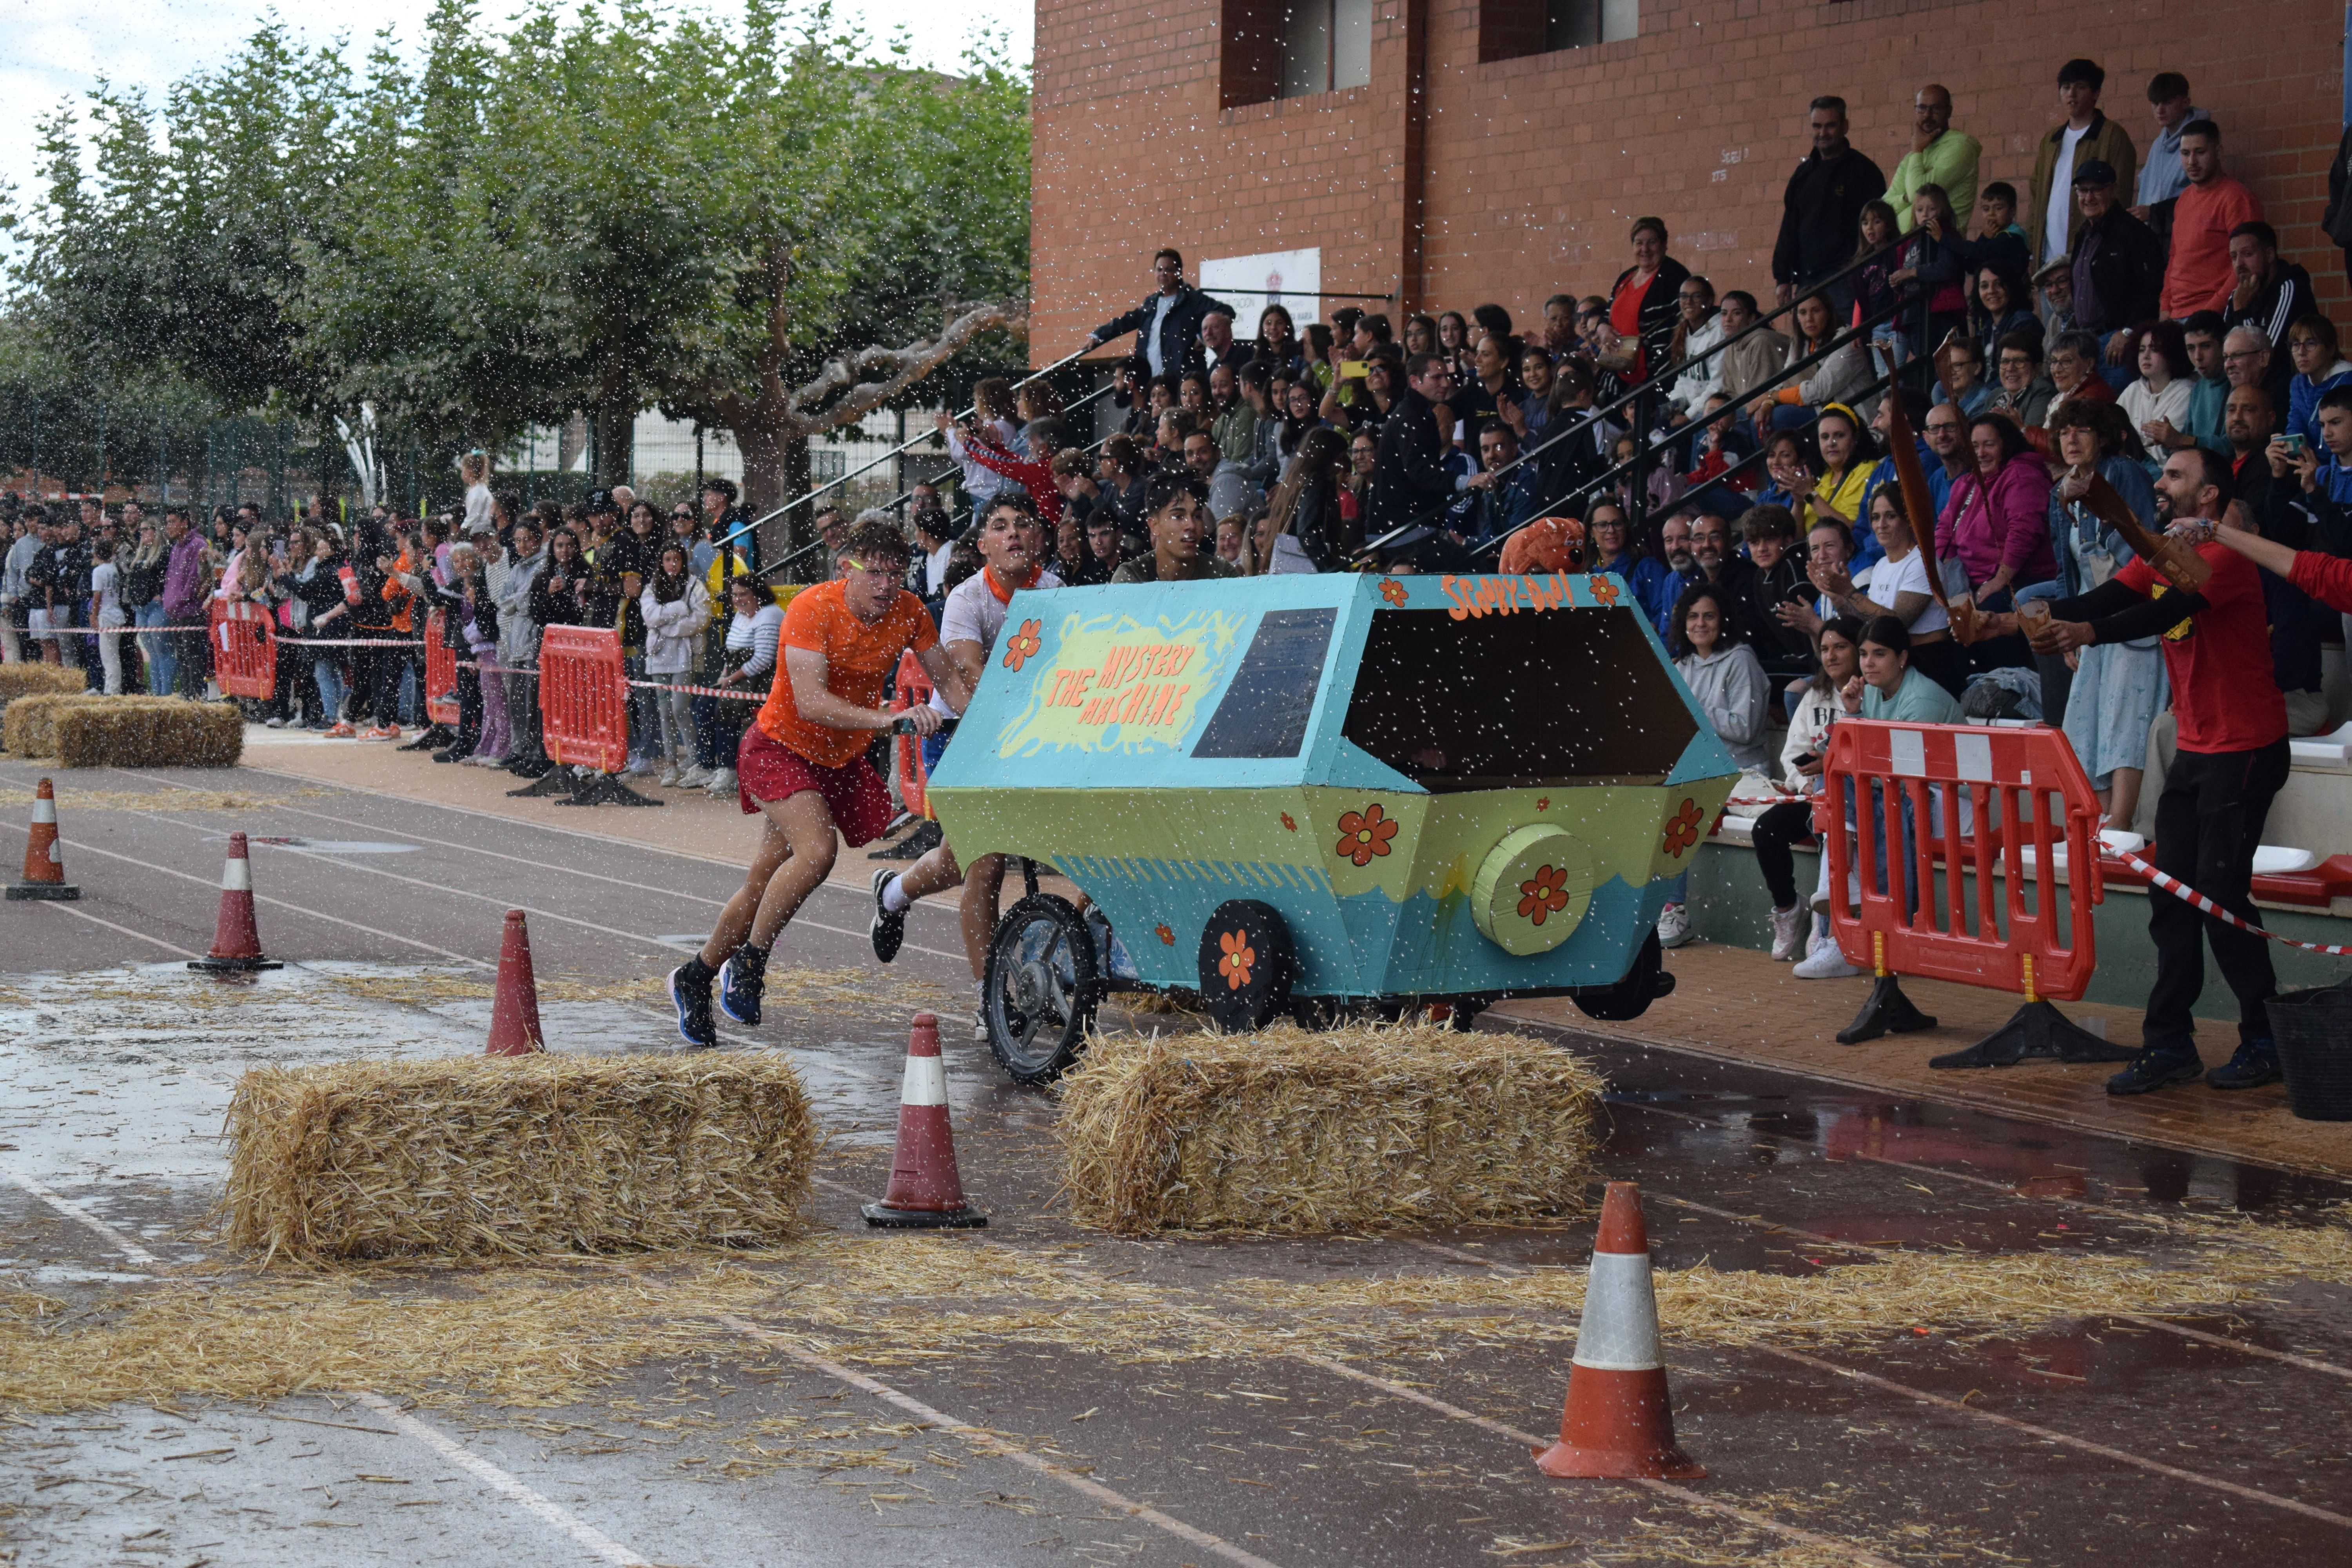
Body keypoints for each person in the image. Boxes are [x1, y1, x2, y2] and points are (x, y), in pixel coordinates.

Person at [1987, 449, 2287, 1095]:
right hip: (2198, 747)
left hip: (2247, 748)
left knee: (2219, 895)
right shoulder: (2155, 551)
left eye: (2174, 475)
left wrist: (2088, 634)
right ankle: (2170, 1044)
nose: (2159, 482)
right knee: (2173, 894)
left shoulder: (2224, 557)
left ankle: (2267, 1039)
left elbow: (2163, 613)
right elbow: (2101, 594)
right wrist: (2002, 623)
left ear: (2207, 497)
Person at [669, 519, 973, 1049]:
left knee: (763, 884)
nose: (886, 584)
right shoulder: (812, 607)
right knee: (817, 852)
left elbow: (948, 680)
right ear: (846, 569)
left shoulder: (909, 611)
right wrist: (888, 718)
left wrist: (983, 726)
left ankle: (694, 976)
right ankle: (751, 963)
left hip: (837, 760)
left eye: (895, 573)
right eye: (874, 572)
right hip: (778, 749)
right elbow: (810, 701)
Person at [870, 497, 1062, 1033]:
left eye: (1024, 522)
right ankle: (990, 998)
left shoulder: (1057, 594)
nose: (1014, 532)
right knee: (986, 865)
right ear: (983, 547)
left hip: (1030, 733)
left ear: (1039, 539)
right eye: (1000, 527)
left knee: (957, 860)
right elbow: (971, 678)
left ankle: (893, 892)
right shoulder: (965, 599)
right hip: (962, 734)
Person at [2037, 400, 2167, 830]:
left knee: (2124, 718)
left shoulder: (2123, 472)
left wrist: (2091, 502)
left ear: (2104, 436)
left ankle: (2122, 823)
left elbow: (2141, 548)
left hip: (2133, 615)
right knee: (2086, 718)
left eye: (2083, 430)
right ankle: (2101, 821)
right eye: (2065, 431)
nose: (2071, 439)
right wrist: (2065, 630)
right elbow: (2065, 570)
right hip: (2091, 620)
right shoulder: (2063, 488)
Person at [1661, 579, 1768, 949]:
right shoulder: (1683, 664)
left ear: (1723, 621)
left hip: (1740, 771)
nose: (1701, 624)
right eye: (1693, 617)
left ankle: (1675, 911)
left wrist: (1694, 709)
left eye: (1709, 616)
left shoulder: (1741, 659)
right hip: (1699, 771)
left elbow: (1745, 727)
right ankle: (1654, 909)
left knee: (1678, 808)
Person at [1752, 616, 1862, 961]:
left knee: (1835, 830)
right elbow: (1791, 753)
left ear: (1859, 651)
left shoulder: (1871, 693)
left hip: (1854, 800)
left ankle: (1825, 919)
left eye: (1841, 647)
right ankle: (1789, 909)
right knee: (1766, 829)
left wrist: (1830, 768)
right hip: (1815, 794)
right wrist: (1807, 782)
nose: (1831, 656)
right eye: (1825, 649)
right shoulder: (1815, 694)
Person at [1804, 486, 1964, 695]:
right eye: (1875, 517)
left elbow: (1895, 625)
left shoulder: (1922, 563)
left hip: (1929, 664)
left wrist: (1850, 592)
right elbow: (1866, 624)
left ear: (1908, 519)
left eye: (1891, 516)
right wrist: (1838, 598)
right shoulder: (1880, 566)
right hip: (1890, 665)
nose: (1881, 525)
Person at [1938, 412, 2053, 669]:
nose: (1981, 453)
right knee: (1944, 621)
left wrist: (1999, 581)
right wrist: (1946, 581)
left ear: (2007, 445)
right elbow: (1945, 530)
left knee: (1986, 615)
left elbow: (2024, 532)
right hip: (1975, 582)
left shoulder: (2022, 475)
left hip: (2021, 579)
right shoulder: (1967, 483)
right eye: (1975, 446)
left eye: (1989, 444)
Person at [1772, 95, 1887, 314]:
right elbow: (1789, 228)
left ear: (1845, 127)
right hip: (1806, 279)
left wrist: (1861, 267)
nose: (1823, 133)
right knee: (1812, 347)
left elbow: (1880, 226)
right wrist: (1783, 278)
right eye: (1817, 126)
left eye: (1830, 126)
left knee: (1848, 344)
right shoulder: (1803, 175)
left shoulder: (1863, 171)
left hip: (1846, 278)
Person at [2029, 58, 2139, 270]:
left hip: (2093, 257)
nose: (2072, 94)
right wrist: (2032, 254)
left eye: (2080, 87)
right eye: (2066, 87)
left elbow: (2121, 196)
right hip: (2048, 259)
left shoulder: (2113, 137)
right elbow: (2036, 199)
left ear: (2096, 93)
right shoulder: (2051, 140)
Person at [2159, 120, 2261, 319]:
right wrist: (2165, 308)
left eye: (2200, 152)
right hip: (2176, 317)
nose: (2192, 162)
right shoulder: (2183, 200)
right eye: (2186, 153)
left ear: (2219, 152)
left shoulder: (2237, 198)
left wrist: (2212, 311)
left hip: (2213, 317)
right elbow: (2174, 259)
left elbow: (2247, 266)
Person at [2064, 162, 2164, 361]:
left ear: (2113, 191)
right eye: (2082, 191)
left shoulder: (2135, 233)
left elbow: (2152, 290)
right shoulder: (2082, 234)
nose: (2089, 198)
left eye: (2097, 190)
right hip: (2085, 344)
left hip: (2118, 344)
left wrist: (2128, 331)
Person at [1085, 249, 1230, 379]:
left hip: (1180, 380)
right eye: (1159, 270)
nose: (1163, 274)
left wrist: (1202, 335)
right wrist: (1099, 335)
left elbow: (1225, 311)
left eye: (1169, 270)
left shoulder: (1192, 299)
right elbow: (1126, 321)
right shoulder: (1151, 303)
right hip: (1150, 381)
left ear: (1179, 272)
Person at [2221, 221, 2318, 412]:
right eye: (2234, 257)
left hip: (2288, 392)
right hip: (2251, 391)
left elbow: (2265, 355)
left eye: (2248, 254)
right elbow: (2222, 350)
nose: (2239, 264)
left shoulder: (2289, 286)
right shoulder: (2239, 295)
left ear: (2270, 255)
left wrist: (2242, 312)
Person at [640, 543, 711, 787]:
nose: (672, 564)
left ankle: (694, 757)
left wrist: (669, 627)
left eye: (677, 559)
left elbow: (701, 619)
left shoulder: (695, 587)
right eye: (668, 559)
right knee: (664, 712)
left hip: (684, 656)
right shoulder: (652, 587)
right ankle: (671, 764)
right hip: (659, 657)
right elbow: (650, 617)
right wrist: (680, 609)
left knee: (680, 709)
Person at [1113, 470, 1242, 583]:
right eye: (1178, 516)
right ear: (1154, 526)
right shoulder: (1131, 577)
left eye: (1197, 516)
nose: (1191, 525)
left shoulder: (1222, 574)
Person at [1607, 217, 1692, 384]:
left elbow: (1685, 322)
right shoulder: (1626, 277)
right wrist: (1603, 328)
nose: (1645, 249)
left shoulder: (1675, 276)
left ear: (1664, 244)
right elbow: (1606, 312)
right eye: (1639, 243)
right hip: (1621, 371)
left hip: (1658, 374)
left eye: (1652, 242)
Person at [1887, 85, 1979, 235]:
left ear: (1949, 111)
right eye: (1922, 108)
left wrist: (1917, 151)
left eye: (1935, 109)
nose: (1927, 115)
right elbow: (1885, 205)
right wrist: (1905, 198)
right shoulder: (1915, 155)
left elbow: (1918, 195)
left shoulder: (1961, 147)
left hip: (1940, 247)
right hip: (1906, 248)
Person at [1261, 425, 1354, 572]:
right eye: (1340, 458)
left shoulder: (1295, 481)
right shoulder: (1317, 481)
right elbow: (1307, 532)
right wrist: (1330, 568)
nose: (1342, 466)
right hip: (1308, 572)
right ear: (1326, 457)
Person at [2118, 320, 2194, 474]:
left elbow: (2167, 448)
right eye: (2141, 350)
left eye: (2154, 349)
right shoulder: (2132, 390)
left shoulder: (2186, 391)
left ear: (2171, 353)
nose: (2146, 356)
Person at [2133, 71, 2201, 220]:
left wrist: (2155, 213)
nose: (2160, 110)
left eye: (2168, 102)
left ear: (2186, 102)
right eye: (2156, 104)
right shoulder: (2158, 145)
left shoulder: (2200, 141)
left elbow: (2201, 197)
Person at [2284, 314, 2352, 455]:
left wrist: (2318, 470)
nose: (2301, 352)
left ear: (2331, 349)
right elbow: (2296, 426)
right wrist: (2292, 451)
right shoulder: (2297, 383)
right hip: (2310, 464)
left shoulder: (2347, 381)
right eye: (2296, 344)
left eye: (2311, 343)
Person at [1989, 332, 2056, 430]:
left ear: (2037, 369)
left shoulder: (2042, 391)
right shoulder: (1995, 395)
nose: (2010, 368)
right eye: (2005, 362)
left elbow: (2031, 439)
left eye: (2019, 361)